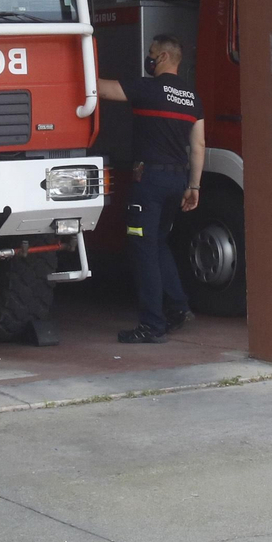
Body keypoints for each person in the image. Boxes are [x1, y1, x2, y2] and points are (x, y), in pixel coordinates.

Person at [98, 34, 205, 344]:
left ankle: (152, 325)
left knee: (143, 250)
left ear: (164, 58)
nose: (149, 57)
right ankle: (179, 308)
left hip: (149, 183)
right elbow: (198, 144)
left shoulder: (147, 89)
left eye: (152, 53)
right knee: (158, 243)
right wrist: (194, 185)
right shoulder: (192, 98)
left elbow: (102, 90)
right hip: (177, 181)